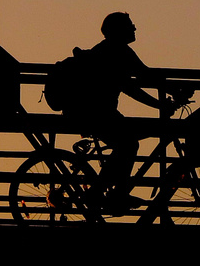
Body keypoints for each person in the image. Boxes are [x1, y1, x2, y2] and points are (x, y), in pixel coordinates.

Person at [70, 12, 178, 212]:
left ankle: (115, 191)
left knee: (128, 142)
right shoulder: (113, 52)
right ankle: (106, 192)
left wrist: (172, 90)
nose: (134, 28)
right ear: (119, 30)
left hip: (98, 112)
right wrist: (161, 104)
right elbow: (132, 87)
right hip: (94, 113)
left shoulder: (117, 50)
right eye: (130, 25)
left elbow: (145, 75)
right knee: (128, 143)